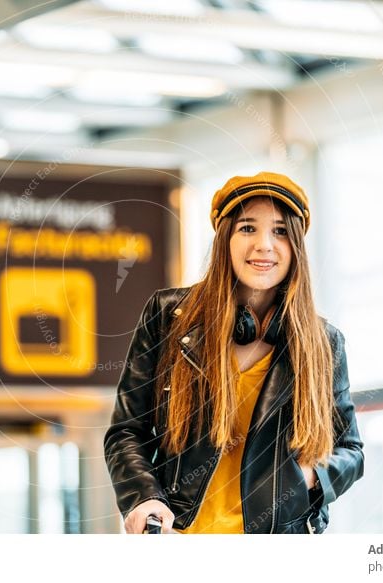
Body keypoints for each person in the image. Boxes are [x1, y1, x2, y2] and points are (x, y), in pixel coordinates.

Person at [104, 171, 364, 534]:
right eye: (247, 228)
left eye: (280, 231)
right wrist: (144, 497)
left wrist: (308, 478)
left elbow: (350, 450)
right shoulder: (167, 317)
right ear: (225, 238)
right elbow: (125, 432)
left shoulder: (323, 343)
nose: (264, 245)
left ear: (296, 248)